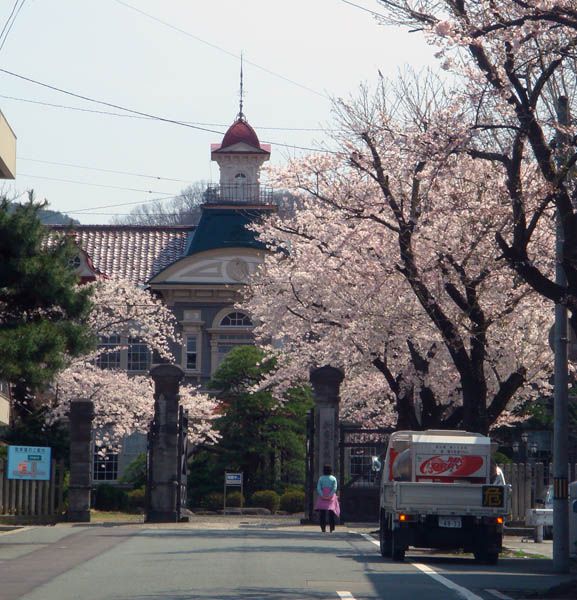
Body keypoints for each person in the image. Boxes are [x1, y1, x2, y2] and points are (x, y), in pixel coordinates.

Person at [315, 464, 340, 533]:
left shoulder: (321, 478)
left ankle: (323, 528)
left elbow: (318, 487)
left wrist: (322, 494)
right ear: (331, 471)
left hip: (322, 496)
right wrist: (330, 495)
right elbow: (334, 488)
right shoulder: (333, 478)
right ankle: (332, 528)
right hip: (331, 497)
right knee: (331, 513)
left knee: (322, 513)